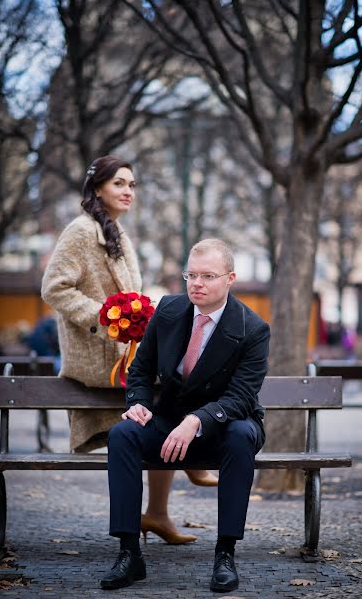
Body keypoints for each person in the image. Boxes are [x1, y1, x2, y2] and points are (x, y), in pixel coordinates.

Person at [41, 155, 212, 545]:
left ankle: (157, 512)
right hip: (97, 355)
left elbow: (131, 297)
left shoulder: (116, 231)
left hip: (123, 349)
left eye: (132, 184)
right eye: (119, 183)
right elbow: (54, 287)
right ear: (97, 187)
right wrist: (107, 318)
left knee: (174, 377)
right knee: (170, 383)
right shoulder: (82, 231)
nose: (128, 191)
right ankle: (189, 459)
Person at [101, 238, 270, 593]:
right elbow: (142, 369)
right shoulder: (169, 311)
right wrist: (139, 402)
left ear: (230, 279)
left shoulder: (252, 329)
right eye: (191, 275)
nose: (196, 283)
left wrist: (197, 421)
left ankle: (225, 554)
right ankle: (129, 553)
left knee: (242, 434)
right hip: (170, 423)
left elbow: (241, 397)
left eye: (208, 276)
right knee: (123, 434)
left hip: (224, 427)